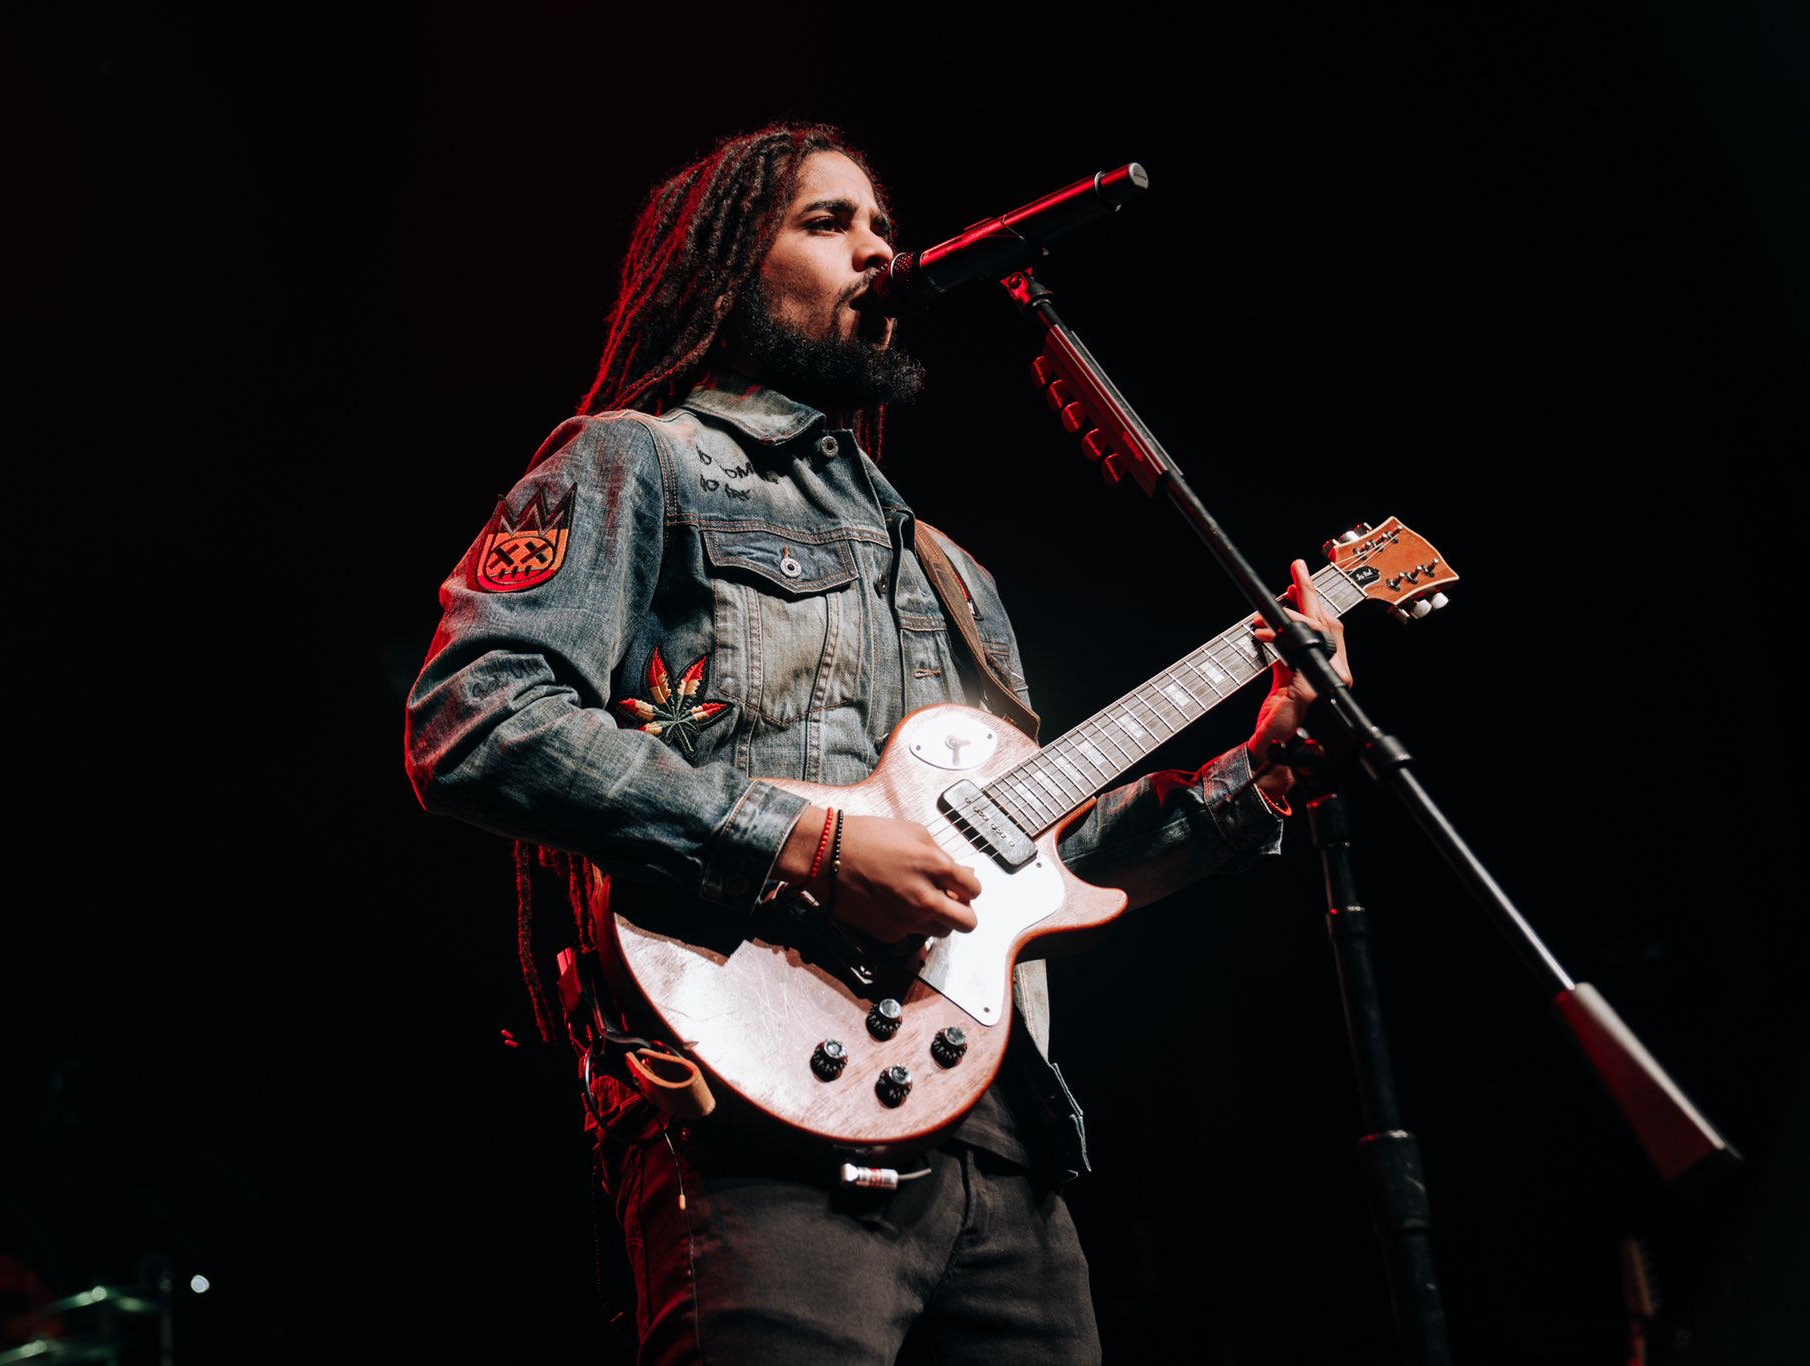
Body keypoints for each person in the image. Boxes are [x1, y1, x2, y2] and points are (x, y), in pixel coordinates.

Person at [404, 122, 1351, 1365]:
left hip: (1001, 1149)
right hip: (754, 1129)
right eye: (826, 222)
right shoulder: (639, 463)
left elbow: (1036, 857)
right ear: (725, 265)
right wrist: (809, 842)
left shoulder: (949, 568)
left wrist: (1258, 775)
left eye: (883, 228)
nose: (876, 250)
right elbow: (474, 717)